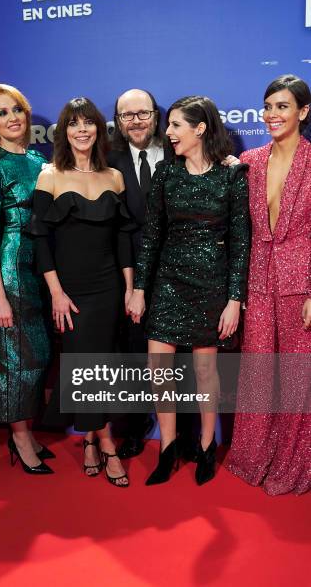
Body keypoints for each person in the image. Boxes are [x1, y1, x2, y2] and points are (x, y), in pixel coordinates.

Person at [128, 95, 250, 486]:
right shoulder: (166, 173)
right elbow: (152, 236)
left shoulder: (231, 176)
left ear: (200, 129)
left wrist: (234, 300)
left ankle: (206, 445)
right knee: (158, 368)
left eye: (177, 125)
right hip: (168, 283)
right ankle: (166, 447)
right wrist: (141, 288)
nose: (168, 132)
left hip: (211, 285)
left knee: (204, 370)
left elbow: (240, 242)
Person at [31, 97, 134, 487]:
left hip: (108, 287)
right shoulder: (50, 176)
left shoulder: (114, 178)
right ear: (63, 131)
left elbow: (123, 240)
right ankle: (107, 443)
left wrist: (128, 289)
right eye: (73, 124)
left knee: (102, 364)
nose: (82, 130)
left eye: (88, 123)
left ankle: (90, 439)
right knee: (84, 363)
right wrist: (56, 293)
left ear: (98, 129)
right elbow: (41, 241)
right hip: (70, 290)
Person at [226, 75, 311, 495]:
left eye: (282, 106)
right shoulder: (251, 160)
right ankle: (252, 456)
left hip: (301, 282)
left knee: (296, 377)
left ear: (303, 112)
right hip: (257, 278)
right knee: (259, 373)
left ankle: (293, 464)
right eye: (268, 107)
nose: (272, 115)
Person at [0, 84, 53, 475]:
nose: (13, 118)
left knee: (37, 355)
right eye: (3, 113)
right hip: (10, 268)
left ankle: (29, 430)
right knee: (14, 358)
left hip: (42, 266)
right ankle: (19, 437)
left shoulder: (40, 160)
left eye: (17, 110)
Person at [108, 89, 169, 459]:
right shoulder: (108, 161)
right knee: (132, 353)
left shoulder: (179, 152)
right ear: (118, 122)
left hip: (178, 271)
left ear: (155, 115)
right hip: (128, 271)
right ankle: (132, 427)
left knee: (179, 357)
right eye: (126, 115)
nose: (135, 121)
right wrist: (133, 285)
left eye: (142, 113)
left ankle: (184, 436)